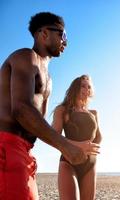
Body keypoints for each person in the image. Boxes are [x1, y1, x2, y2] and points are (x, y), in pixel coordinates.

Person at [0, 12, 99, 200]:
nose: (65, 41)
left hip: (25, 153)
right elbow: (21, 109)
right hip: (6, 147)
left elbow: (38, 126)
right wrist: (66, 147)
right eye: (62, 34)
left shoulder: (49, 79)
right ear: (44, 34)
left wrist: (72, 145)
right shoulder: (26, 57)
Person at [52, 75, 102, 200]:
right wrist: (80, 146)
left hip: (90, 163)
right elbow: (53, 137)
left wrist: (92, 148)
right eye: (83, 86)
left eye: (89, 87)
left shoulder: (94, 113)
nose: (87, 89)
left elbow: (98, 138)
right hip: (69, 161)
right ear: (75, 88)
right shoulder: (62, 110)